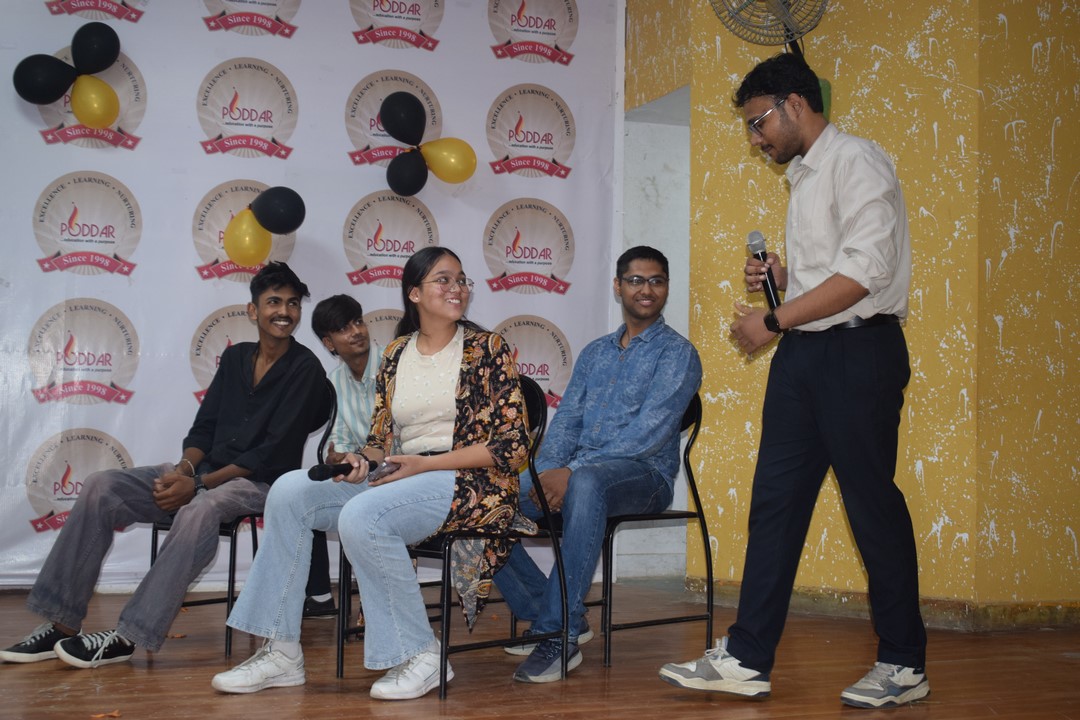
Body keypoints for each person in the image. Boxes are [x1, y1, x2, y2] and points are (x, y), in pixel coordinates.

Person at [658, 53, 928, 709]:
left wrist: (773, 318)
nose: (756, 139)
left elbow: (865, 272)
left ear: (794, 104)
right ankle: (747, 657)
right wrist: (784, 277)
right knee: (775, 505)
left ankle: (903, 662)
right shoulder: (805, 177)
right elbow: (834, 271)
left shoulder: (857, 160)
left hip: (858, 353)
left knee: (871, 507)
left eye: (759, 123)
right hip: (805, 358)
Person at [211, 246, 531, 700]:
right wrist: (363, 459)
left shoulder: (487, 348)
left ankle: (421, 654)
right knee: (288, 491)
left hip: (469, 481)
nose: (456, 288)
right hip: (403, 472)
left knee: (364, 515)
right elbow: (381, 437)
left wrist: (425, 463)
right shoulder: (397, 354)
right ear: (414, 293)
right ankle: (280, 652)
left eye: (461, 279)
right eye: (443, 279)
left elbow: (513, 445)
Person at [0, 262, 327, 669]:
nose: (284, 311)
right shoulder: (235, 357)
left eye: (292, 304)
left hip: (260, 483)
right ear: (252, 310)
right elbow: (204, 427)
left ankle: (128, 635)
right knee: (102, 486)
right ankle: (61, 625)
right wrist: (185, 471)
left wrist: (199, 485)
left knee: (200, 509)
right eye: (274, 302)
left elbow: (270, 453)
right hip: (206, 473)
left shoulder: (305, 368)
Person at [494, 245, 702, 683]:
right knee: (490, 498)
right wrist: (547, 474)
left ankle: (559, 633)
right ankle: (547, 610)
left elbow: (647, 435)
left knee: (587, 483)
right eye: (636, 280)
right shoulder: (595, 352)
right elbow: (567, 421)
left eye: (657, 281)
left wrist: (571, 474)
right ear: (618, 286)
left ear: (667, 287)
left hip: (644, 476)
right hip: (579, 473)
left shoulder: (677, 353)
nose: (646, 290)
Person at [302, 295, 382, 620]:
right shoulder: (333, 383)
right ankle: (317, 595)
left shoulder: (397, 365)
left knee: (368, 505)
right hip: (365, 475)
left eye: (358, 322)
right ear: (328, 343)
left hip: (407, 472)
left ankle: (378, 603)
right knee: (301, 496)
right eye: (343, 328)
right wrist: (338, 456)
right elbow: (342, 443)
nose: (356, 332)